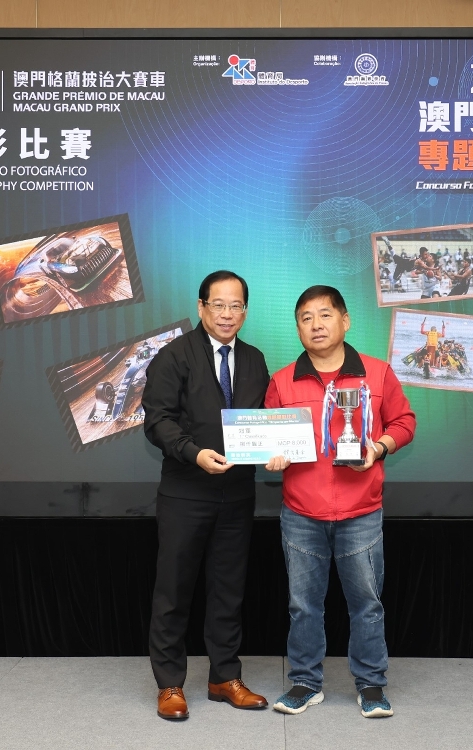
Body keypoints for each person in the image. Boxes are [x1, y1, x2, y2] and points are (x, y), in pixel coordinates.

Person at [262, 285, 416, 719]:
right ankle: (305, 683)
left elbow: (404, 422)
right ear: (298, 329)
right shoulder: (282, 381)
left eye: (325, 315)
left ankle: (371, 684)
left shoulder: (377, 373)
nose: (316, 325)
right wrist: (272, 453)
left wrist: (379, 447)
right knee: (302, 606)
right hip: (301, 514)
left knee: (367, 605)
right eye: (306, 318)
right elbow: (269, 436)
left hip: (360, 512)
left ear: (345, 321)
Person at [141, 270, 271, 721]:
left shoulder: (254, 359)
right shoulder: (173, 356)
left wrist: (278, 448)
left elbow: (262, 420)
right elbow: (157, 420)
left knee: (228, 590)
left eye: (236, 306)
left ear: (245, 312)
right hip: (185, 493)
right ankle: (170, 683)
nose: (227, 314)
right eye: (219, 304)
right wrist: (193, 453)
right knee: (174, 590)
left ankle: (224, 677)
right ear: (201, 307)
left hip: (237, 495)